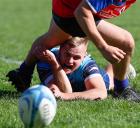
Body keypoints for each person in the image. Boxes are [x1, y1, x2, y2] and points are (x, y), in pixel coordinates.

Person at [7, 0, 139, 101]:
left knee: (49, 39)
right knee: (126, 42)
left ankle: (23, 73)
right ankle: (121, 88)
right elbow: (82, 12)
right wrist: (103, 47)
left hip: (67, 6)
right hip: (72, 11)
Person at [36, 37, 139, 101]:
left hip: (99, 79)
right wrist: (54, 63)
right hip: (76, 84)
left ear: (85, 55)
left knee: (110, 83)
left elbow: (101, 93)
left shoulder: (87, 64)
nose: (70, 61)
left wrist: (64, 96)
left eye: (77, 57)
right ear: (60, 48)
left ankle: (120, 68)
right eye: (67, 54)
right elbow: (64, 90)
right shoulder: (47, 59)